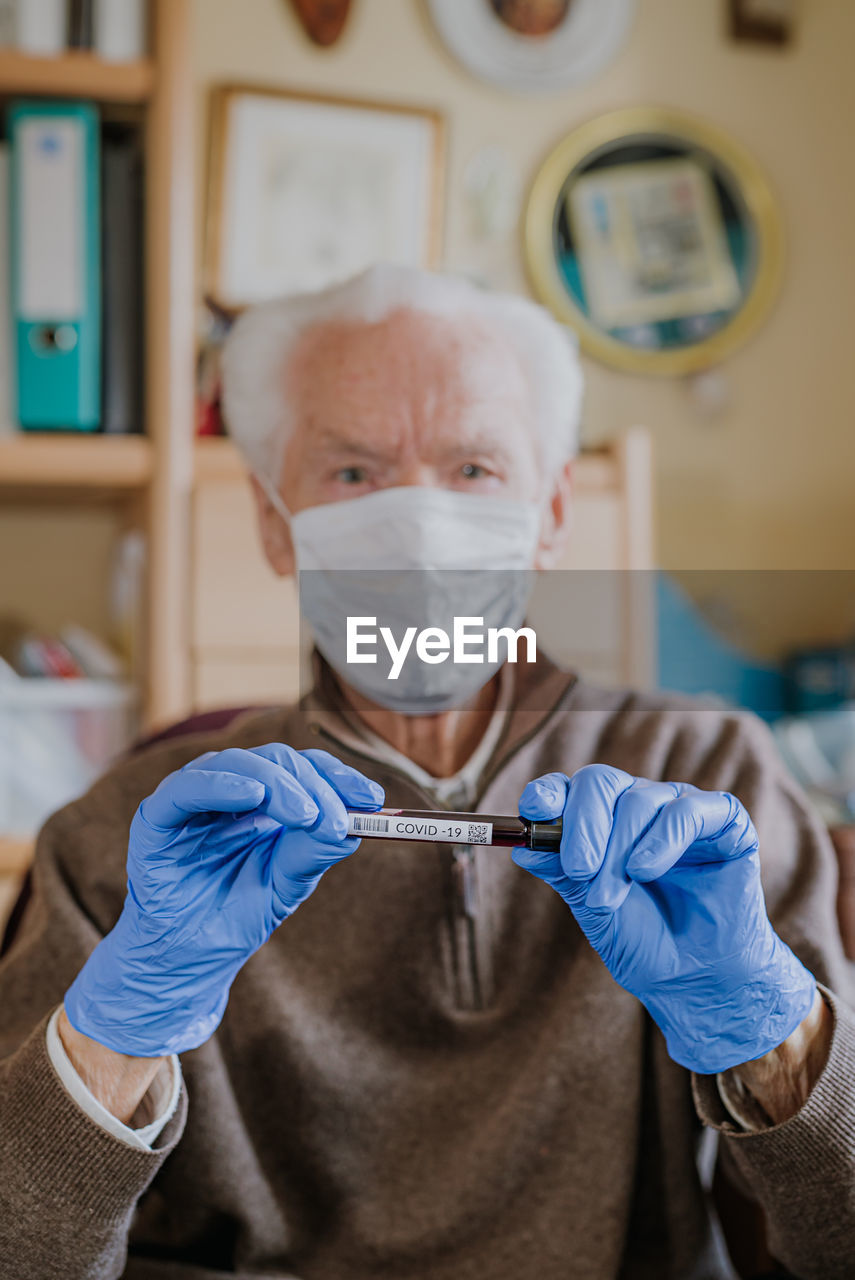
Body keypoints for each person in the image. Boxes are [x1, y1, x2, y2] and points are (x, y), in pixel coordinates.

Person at [1, 265, 853, 1280]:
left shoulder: (709, 780)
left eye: (475, 470)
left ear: (552, 510)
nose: (418, 525)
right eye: (355, 474)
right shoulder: (123, 834)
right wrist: (114, 1037)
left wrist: (773, 1037)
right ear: (276, 524)